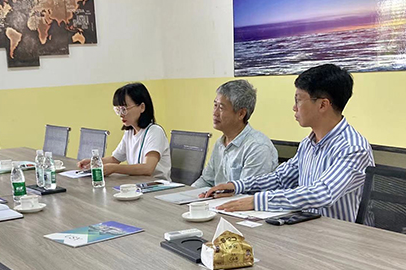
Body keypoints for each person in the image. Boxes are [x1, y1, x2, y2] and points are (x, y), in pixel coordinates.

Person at [203, 64, 374, 222]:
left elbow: (322, 193)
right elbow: (280, 178)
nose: (294, 107)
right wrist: (236, 186)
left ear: (323, 105)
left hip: (339, 237)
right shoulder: (308, 144)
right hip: (305, 227)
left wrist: (256, 201)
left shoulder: (353, 148)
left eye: (298, 100)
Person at [192, 79, 277, 189]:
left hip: (240, 200)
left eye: (221, 108)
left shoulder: (257, 147)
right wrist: (186, 193)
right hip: (218, 198)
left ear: (241, 114)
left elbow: (247, 193)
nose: (215, 113)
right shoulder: (220, 143)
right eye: (215, 105)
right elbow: (206, 181)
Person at [78, 82, 171, 180]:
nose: (121, 114)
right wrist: (94, 162)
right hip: (138, 183)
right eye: (118, 110)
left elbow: (147, 168)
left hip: (158, 185)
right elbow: (115, 159)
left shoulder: (155, 132)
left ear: (142, 107)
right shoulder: (130, 132)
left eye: (124, 109)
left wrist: (114, 168)